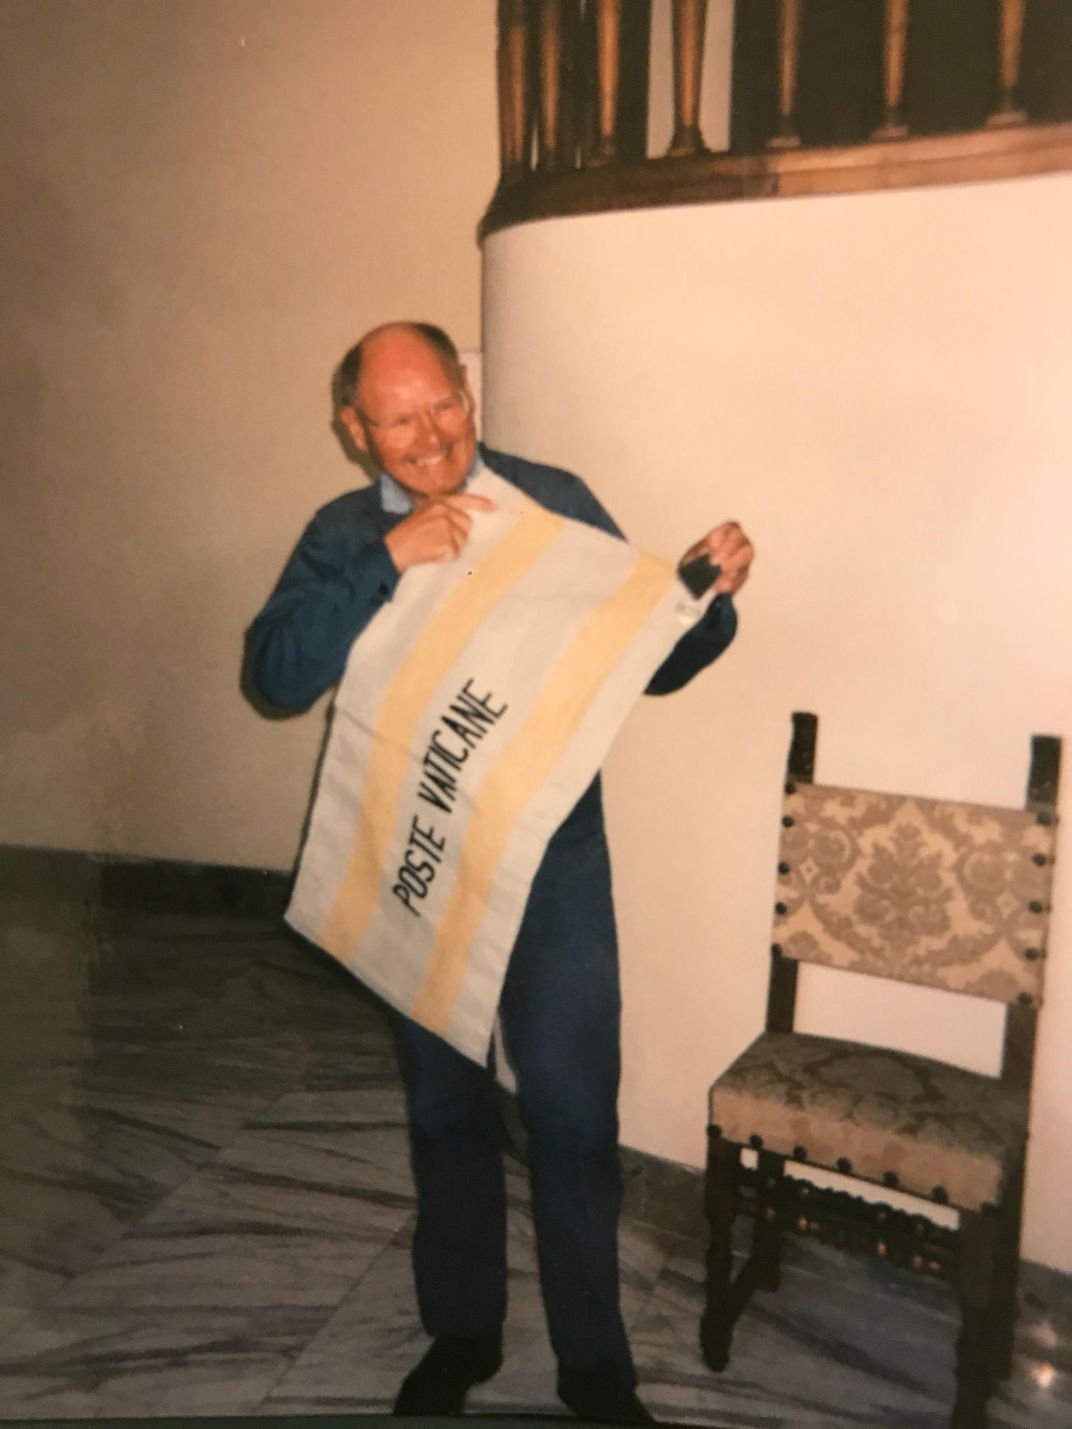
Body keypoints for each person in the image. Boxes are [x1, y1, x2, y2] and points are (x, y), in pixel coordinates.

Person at [245, 322, 754, 1421]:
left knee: (572, 1115)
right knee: (444, 1112)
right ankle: (463, 1332)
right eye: (399, 418)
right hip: (420, 863)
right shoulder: (342, 532)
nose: (430, 435)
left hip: (554, 868)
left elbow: (649, 656)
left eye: (444, 404)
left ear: (466, 394)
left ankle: (594, 1363)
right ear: (354, 429)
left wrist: (705, 598)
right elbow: (275, 674)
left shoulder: (550, 498)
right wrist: (388, 562)